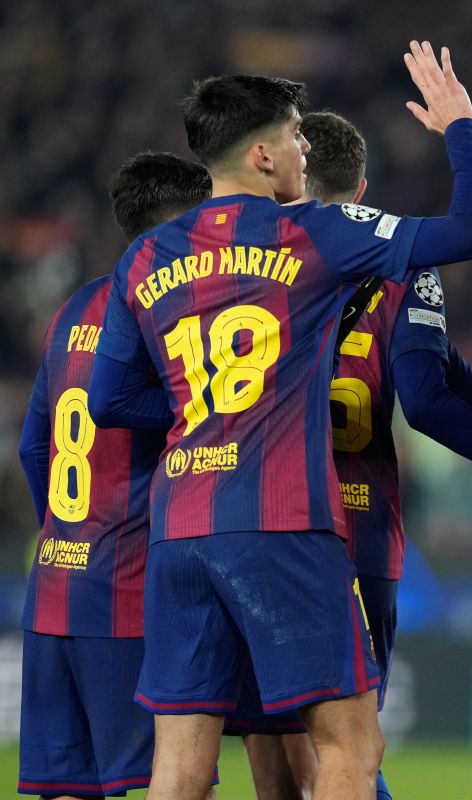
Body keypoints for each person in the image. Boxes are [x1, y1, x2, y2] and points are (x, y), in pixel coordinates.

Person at [87, 42, 472, 800]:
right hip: (281, 523)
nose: (306, 149)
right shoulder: (313, 231)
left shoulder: (144, 258)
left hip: (179, 527)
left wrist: (200, 417)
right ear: (264, 155)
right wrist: (460, 128)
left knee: (179, 766)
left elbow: (109, 400)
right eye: (297, 135)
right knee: (352, 745)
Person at [228, 110, 472, 800]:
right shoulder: (398, 262)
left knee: (278, 756)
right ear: (361, 191)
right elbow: (427, 398)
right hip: (354, 528)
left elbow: (445, 374)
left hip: (248, 523)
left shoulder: (236, 267)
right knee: (351, 749)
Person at [16, 152, 211, 799]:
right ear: (179, 228)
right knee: (176, 780)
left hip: (52, 592)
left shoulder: (74, 307)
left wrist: (68, 534)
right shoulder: (167, 315)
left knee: (65, 789)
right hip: (126, 598)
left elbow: (32, 447)